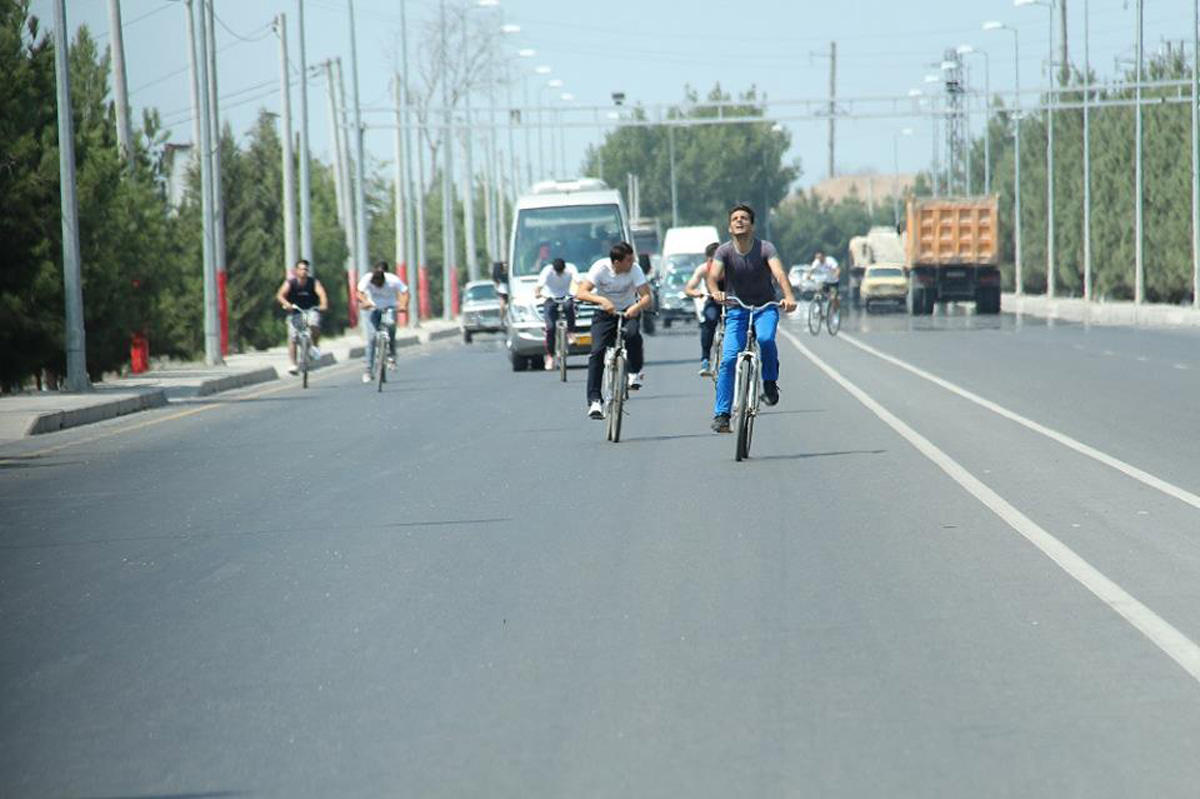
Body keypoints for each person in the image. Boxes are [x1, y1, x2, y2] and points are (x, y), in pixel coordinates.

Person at [706, 204, 797, 433]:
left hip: (765, 308)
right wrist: (716, 291)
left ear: (752, 225)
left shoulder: (765, 248)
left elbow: (778, 273)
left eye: (744, 218)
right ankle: (722, 414)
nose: (739, 221)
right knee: (727, 360)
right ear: (729, 227)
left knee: (766, 339)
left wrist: (788, 296)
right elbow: (713, 277)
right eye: (735, 218)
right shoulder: (724, 251)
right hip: (737, 309)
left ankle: (769, 383)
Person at [574, 241, 653, 420]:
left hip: (628, 311)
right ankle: (595, 400)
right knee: (597, 352)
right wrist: (602, 301)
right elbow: (581, 292)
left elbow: (647, 296)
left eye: (633, 260)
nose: (632, 263)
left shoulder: (635, 270)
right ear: (617, 262)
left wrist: (636, 307)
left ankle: (634, 372)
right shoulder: (600, 268)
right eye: (628, 261)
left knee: (633, 335)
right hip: (604, 313)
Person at [356, 260, 410, 383]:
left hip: (390, 307)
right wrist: (365, 301)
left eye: (380, 284)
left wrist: (403, 305)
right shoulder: (367, 279)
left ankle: (391, 355)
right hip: (373, 308)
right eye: (375, 285)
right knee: (371, 338)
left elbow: (405, 292)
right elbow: (359, 292)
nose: (378, 287)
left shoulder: (392, 280)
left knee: (391, 326)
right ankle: (368, 371)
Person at [275, 259, 329, 375]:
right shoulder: (291, 283)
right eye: (301, 269)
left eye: (306, 269)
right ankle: (293, 364)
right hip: (296, 312)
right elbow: (280, 295)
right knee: (293, 337)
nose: (304, 271)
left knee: (314, 324)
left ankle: (315, 346)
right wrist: (286, 304)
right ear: (296, 271)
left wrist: (323, 304)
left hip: (311, 310)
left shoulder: (313, 282)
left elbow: (322, 293)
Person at [684, 241, 722, 376]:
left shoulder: (732, 267)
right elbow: (689, 288)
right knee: (709, 321)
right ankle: (705, 359)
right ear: (708, 259)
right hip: (712, 300)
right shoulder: (704, 269)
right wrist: (696, 293)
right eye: (713, 260)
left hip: (730, 301)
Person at [536, 257, 579, 371]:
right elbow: (539, 286)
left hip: (565, 296)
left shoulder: (571, 269)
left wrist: (580, 292)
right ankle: (550, 356)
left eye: (561, 272)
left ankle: (570, 332)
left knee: (569, 306)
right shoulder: (547, 271)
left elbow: (579, 282)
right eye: (557, 272)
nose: (559, 274)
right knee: (550, 328)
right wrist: (537, 293)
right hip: (550, 297)